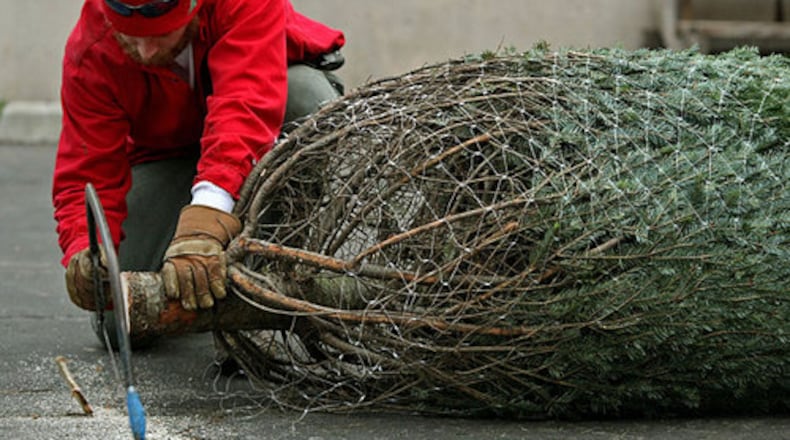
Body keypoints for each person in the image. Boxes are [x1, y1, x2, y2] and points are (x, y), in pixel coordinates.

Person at [52, 0, 345, 344]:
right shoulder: (91, 46)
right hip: (171, 158)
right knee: (121, 320)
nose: (146, 52)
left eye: (160, 33)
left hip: (264, 131)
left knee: (307, 102)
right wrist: (86, 248)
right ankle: (213, 292)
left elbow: (245, 105)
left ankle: (269, 283)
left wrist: (206, 220)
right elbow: (87, 172)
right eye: (129, 38)